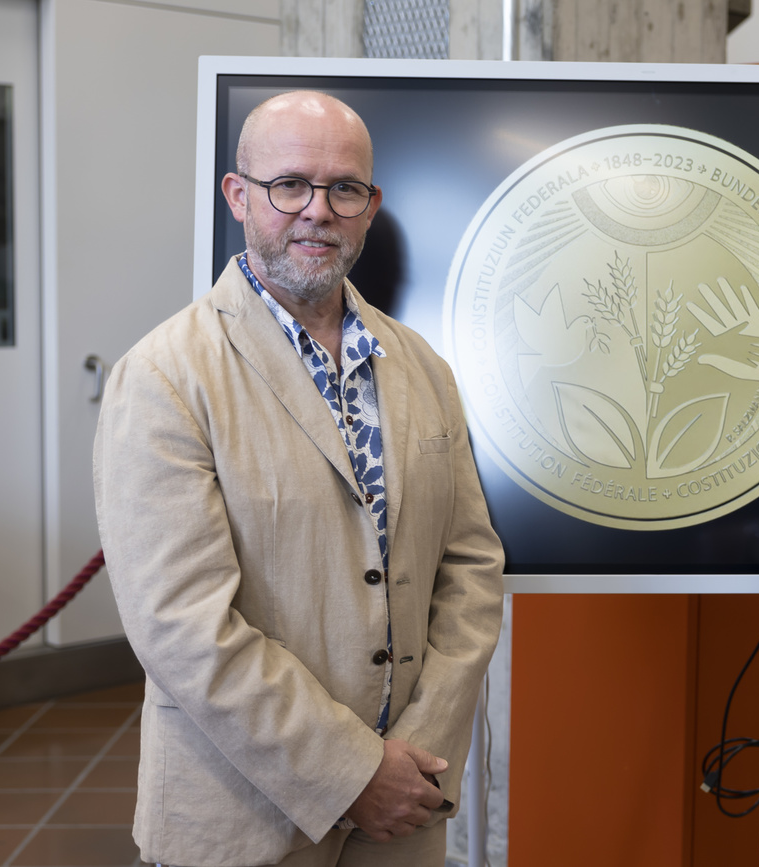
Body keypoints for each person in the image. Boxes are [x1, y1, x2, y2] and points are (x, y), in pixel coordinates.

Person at [93, 91, 505, 867]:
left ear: (370, 206)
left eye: (343, 188)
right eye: (290, 185)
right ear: (238, 194)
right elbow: (183, 624)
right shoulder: (163, 376)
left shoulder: (424, 367)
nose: (317, 210)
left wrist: (415, 750)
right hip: (243, 819)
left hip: (405, 812)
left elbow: (472, 567)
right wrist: (352, 772)